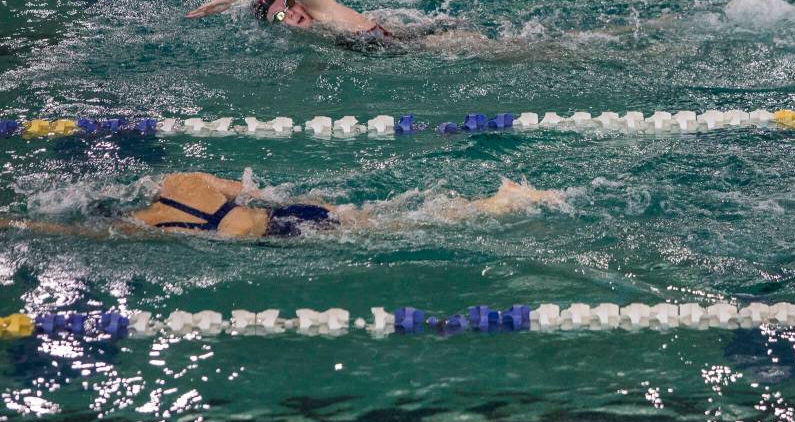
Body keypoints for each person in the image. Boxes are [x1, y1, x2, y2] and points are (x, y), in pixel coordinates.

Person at [0, 171, 564, 240]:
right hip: (291, 211)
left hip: (283, 236)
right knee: (394, 213)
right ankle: (493, 202)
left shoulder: (149, 226)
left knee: (406, 224)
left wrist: (18, 223)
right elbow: (250, 188)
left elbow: (72, 233)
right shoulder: (183, 181)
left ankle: (500, 204)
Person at [185, 0, 483, 50]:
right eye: (280, 16)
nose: (289, 14)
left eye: (288, 4)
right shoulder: (315, 36)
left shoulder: (324, 11)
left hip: (427, 45)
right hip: (405, 42)